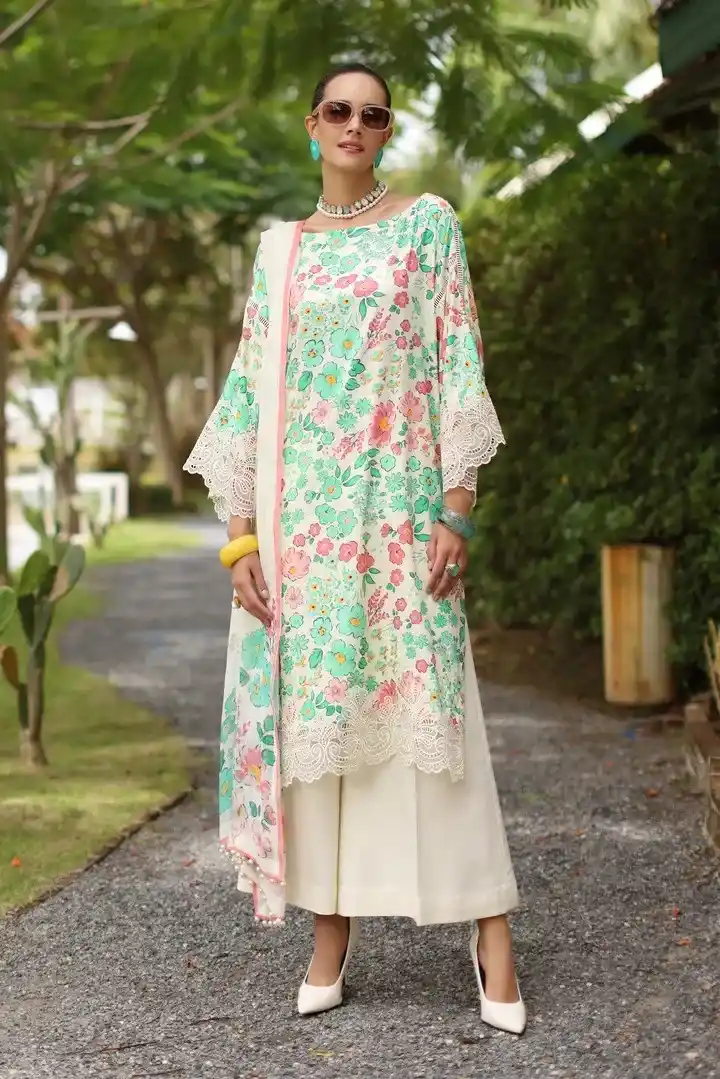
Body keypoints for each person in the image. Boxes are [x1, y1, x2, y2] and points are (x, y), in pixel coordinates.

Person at [184, 62, 525, 1035]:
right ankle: (330, 930)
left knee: (437, 719)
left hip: (402, 517)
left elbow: (457, 359)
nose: (354, 125)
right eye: (339, 110)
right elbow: (250, 386)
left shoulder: (427, 226)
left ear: (385, 132)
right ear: (313, 124)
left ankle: (491, 931)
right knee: (320, 735)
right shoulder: (280, 250)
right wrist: (240, 538)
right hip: (309, 529)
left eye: (373, 114)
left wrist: (458, 506)